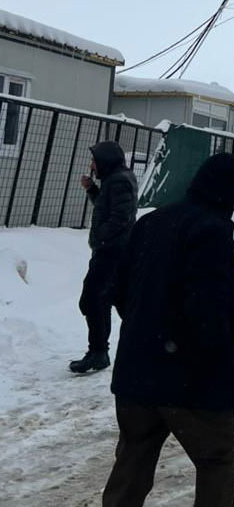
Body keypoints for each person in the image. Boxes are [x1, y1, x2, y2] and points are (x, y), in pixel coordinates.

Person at [92, 153, 234, 507]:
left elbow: (119, 288)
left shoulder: (153, 223)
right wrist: (214, 369)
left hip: (135, 376)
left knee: (128, 476)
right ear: (230, 191)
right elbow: (208, 313)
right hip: (188, 382)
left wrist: (145, 332)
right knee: (217, 458)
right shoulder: (211, 233)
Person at [70, 141, 138, 374]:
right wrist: (92, 190)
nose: (91, 165)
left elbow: (121, 216)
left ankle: (99, 352)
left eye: (94, 161)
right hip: (116, 252)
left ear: (105, 161)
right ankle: (107, 351)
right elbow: (109, 207)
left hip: (112, 253)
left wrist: (100, 237)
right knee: (114, 301)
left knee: (92, 299)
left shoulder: (119, 180)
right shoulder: (115, 179)